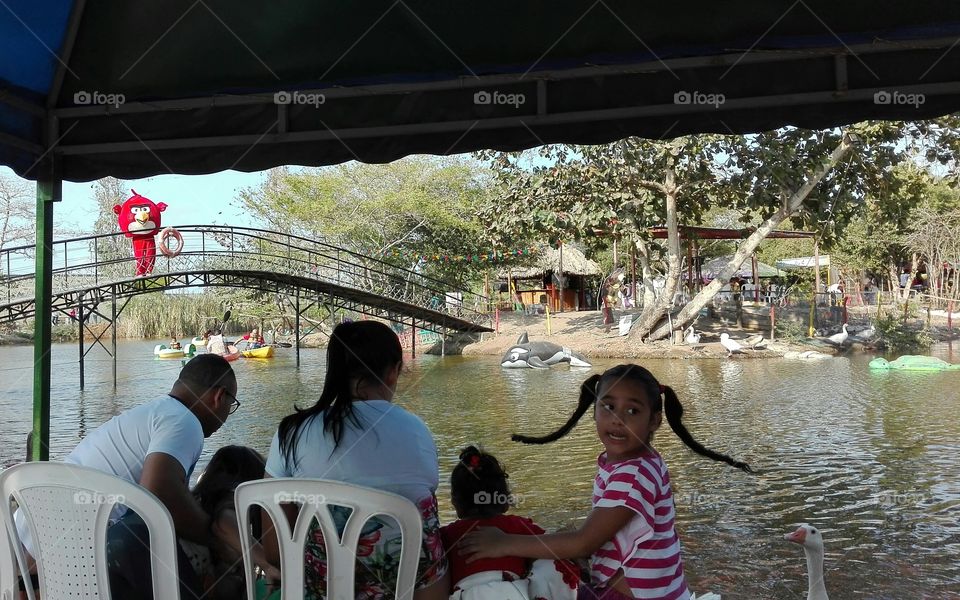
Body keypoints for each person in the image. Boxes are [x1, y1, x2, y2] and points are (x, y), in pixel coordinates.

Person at [459, 364, 753, 600]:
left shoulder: (633, 474)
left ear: (655, 420)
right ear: (594, 409)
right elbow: (604, 531)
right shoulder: (633, 461)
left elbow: (584, 541)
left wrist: (504, 543)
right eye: (608, 406)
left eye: (633, 411)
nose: (617, 420)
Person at [13, 354, 239, 600]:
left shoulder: (149, 415)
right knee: (143, 542)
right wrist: (216, 539)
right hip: (70, 562)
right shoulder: (185, 421)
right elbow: (158, 490)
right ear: (220, 396)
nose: (228, 414)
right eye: (232, 404)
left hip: (26, 540)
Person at [263, 320, 449, 600]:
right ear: (393, 372)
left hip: (321, 588)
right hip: (407, 588)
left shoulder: (292, 432)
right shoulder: (417, 431)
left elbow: (274, 548)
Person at [441, 446, 579, 600]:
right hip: (514, 594)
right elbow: (555, 547)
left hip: (465, 595)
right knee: (553, 560)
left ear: (455, 502)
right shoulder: (518, 525)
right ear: (505, 500)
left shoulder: (445, 536)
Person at [183, 445, 280, 600]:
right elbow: (223, 524)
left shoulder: (198, 499)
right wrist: (266, 564)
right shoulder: (230, 496)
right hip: (193, 581)